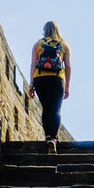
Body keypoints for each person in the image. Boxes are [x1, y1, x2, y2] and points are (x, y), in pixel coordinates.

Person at [28, 21, 71, 153]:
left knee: (46, 109)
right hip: (57, 79)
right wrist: (67, 86)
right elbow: (68, 66)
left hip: (40, 79)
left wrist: (31, 84)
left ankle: (47, 136)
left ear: (44, 30)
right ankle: (53, 138)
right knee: (55, 109)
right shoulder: (64, 45)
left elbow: (33, 64)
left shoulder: (38, 44)